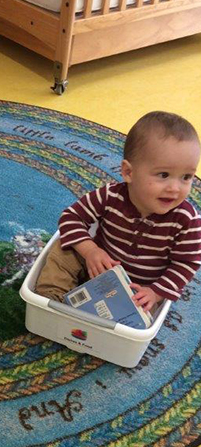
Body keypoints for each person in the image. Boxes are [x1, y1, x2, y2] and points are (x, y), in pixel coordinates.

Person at [35, 111, 201, 312]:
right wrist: (91, 251)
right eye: (164, 175)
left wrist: (154, 293)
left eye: (186, 177)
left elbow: (186, 264)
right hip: (97, 267)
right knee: (63, 246)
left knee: (143, 309)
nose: (175, 188)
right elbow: (71, 217)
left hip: (137, 291)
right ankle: (51, 301)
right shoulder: (110, 195)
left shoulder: (187, 220)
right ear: (128, 172)